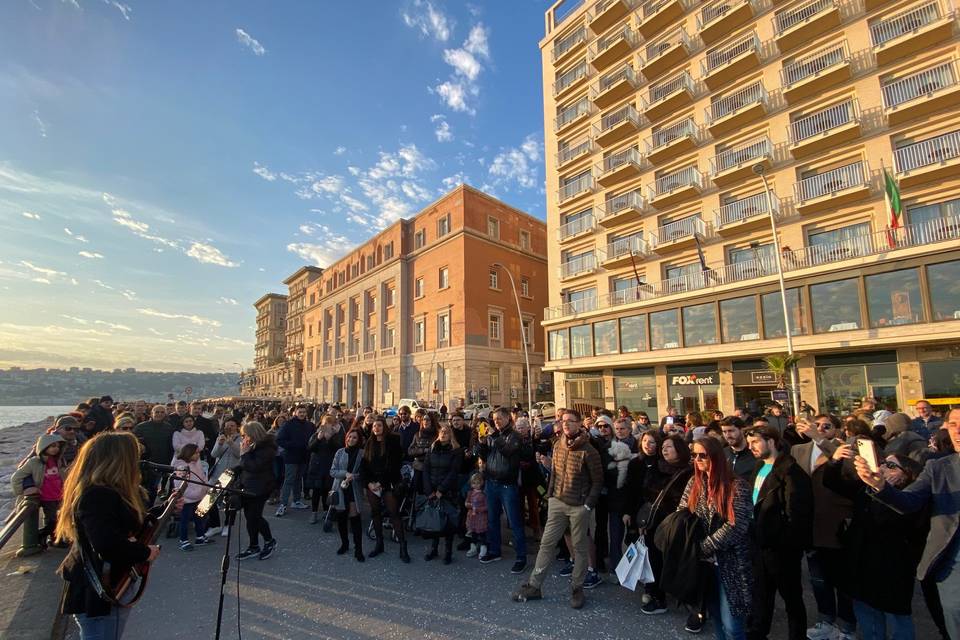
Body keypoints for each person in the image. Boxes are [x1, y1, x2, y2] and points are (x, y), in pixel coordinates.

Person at [855, 408, 960, 640]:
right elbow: (908, 501)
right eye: (953, 424)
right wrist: (881, 486)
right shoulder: (938, 468)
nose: (958, 430)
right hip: (952, 572)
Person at [55, 431, 160, 639]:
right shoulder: (98, 495)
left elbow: (119, 524)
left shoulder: (102, 491)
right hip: (102, 588)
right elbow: (108, 544)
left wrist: (162, 510)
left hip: (105, 585)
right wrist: (145, 552)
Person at [826, 445, 927, 640]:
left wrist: (884, 490)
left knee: (899, 622)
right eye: (883, 462)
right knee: (868, 621)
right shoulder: (865, 488)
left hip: (892, 571)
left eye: (891, 465)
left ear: (907, 475)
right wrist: (835, 459)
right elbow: (832, 482)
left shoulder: (912, 499)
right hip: (861, 567)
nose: (882, 467)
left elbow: (905, 523)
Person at [512, 408, 602, 609]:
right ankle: (535, 585)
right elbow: (554, 472)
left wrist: (588, 505)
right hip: (557, 502)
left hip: (579, 506)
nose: (566, 424)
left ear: (579, 424)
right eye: (563, 421)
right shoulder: (558, 445)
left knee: (579, 548)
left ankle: (577, 588)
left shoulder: (589, 450)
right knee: (546, 544)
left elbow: (597, 481)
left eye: (571, 421)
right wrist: (550, 495)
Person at [678, 437, 753, 640]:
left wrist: (705, 547)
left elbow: (736, 526)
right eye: (694, 455)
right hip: (703, 565)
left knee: (733, 626)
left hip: (730, 563)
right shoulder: (695, 482)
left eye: (703, 455)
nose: (698, 459)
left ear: (716, 456)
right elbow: (682, 513)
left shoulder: (737, 486)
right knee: (716, 619)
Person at [744, 426, 813, 640]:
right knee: (761, 595)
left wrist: (786, 542)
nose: (751, 447)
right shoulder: (758, 467)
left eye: (755, 442)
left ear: (771, 441)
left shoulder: (791, 471)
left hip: (781, 548)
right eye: (749, 443)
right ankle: (758, 632)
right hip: (758, 542)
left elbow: (799, 514)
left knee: (791, 597)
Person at [793, 415, 856, 640]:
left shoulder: (845, 448)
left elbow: (852, 470)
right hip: (810, 526)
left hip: (838, 525)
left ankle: (847, 626)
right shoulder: (799, 450)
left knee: (844, 581)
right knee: (819, 579)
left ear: (837, 430)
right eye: (817, 426)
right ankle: (826, 620)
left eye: (826, 426)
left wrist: (820, 439)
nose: (820, 429)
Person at [633, 434, 693, 618]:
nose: (665, 450)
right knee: (654, 559)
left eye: (669, 447)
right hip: (654, 522)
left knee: (674, 560)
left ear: (680, 450)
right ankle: (656, 594)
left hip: (676, 524)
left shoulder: (688, 472)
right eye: (664, 447)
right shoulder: (656, 467)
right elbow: (645, 494)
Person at [479, 407, 528, 573]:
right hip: (491, 482)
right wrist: (482, 443)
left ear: (508, 418)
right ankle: (494, 550)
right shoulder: (494, 436)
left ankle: (521, 556)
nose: (496, 422)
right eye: (494, 419)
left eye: (499, 418)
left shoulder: (515, 436)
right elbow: (485, 456)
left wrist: (493, 436)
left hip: (507, 484)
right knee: (492, 519)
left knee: (514, 521)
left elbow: (508, 451)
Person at [361, 416, 410, 563]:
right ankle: (379, 544)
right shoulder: (369, 442)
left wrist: (381, 483)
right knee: (375, 513)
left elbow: (394, 465)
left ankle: (403, 546)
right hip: (373, 483)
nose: (376, 428)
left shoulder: (393, 441)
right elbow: (365, 465)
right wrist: (368, 483)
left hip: (388, 482)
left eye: (379, 426)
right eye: (374, 426)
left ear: (384, 427)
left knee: (394, 513)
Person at [11, 432, 67, 556]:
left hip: (58, 494)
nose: (55, 449)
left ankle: (52, 538)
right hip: (46, 496)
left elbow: (62, 476)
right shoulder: (34, 462)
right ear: (43, 447)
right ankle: (43, 536)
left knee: (57, 518)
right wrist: (24, 491)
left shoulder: (58, 460)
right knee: (52, 520)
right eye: (52, 446)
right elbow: (16, 477)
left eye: (57, 446)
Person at [236, 421, 278, 561]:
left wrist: (244, 455)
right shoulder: (253, 446)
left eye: (245, 435)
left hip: (260, 487)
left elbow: (254, 466)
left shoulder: (267, 448)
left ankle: (269, 541)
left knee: (255, 516)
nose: (244, 438)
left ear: (253, 434)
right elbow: (246, 466)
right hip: (249, 485)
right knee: (249, 517)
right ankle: (253, 545)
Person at [422, 423, 463, 564]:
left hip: (447, 490)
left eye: (446, 432)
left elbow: (453, 472)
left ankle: (448, 552)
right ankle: (433, 549)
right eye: (441, 432)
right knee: (435, 520)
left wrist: (441, 490)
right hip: (432, 489)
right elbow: (426, 470)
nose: (443, 434)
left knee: (448, 522)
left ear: (450, 435)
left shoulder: (456, 451)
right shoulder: (432, 448)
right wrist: (429, 491)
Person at [330, 429, 365, 562]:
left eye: (354, 438)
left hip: (354, 490)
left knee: (355, 519)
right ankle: (344, 544)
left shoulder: (362, 454)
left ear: (359, 440)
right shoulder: (340, 452)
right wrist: (345, 473)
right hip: (340, 488)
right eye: (349, 437)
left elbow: (364, 473)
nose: (351, 439)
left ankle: (359, 549)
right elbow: (332, 471)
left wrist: (354, 476)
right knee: (341, 519)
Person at [133, 404, 177, 507]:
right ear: (152, 413)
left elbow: (171, 446)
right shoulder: (141, 427)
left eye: (162, 412)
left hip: (161, 463)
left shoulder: (168, 428)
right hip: (144, 464)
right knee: (141, 488)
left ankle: (149, 509)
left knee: (152, 488)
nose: (159, 414)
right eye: (157, 412)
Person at [274, 406, 314, 516]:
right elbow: (279, 440)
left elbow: (314, 439)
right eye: (300, 412)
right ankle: (283, 504)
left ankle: (296, 501)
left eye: (304, 412)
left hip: (304, 457)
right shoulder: (288, 424)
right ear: (295, 413)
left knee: (298, 479)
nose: (302, 414)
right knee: (289, 480)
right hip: (291, 457)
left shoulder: (310, 425)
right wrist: (293, 446)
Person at [172, 443, 211, 551]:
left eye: (199, 452)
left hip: (199, 496)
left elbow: (202, 476)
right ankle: (183, 540)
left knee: (199, 517)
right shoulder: (181, 466)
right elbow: (179, 484)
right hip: (187, 499)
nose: (198, 455)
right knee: (184, 520)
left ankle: (200, 537)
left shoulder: (196, 462)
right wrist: (196, 493)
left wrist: (205, 488)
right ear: (189, 453)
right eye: (196, 453)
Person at [208, 417, 243, 536]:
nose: (229, 428)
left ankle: (228, 525)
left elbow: (239, 455)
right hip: (218, 472)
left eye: (232, 426)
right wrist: (219, 443)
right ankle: (214, 525)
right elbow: (213, 454)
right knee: (209, 501)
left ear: (237, 427)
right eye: (227, 426)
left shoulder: (241, 439)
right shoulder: (220, 437)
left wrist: (231, 443)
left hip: (231, 474)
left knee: (230, 501)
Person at [305, 415, 341, 524]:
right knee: (316, 490)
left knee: (326, 490)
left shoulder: (335, 436)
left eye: (330, 424)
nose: (327, 426)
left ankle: (326, 511)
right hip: (317, 466)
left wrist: (330, 438)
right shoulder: (316, 435)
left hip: (329, 466)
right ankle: (314, 512)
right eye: (325, 423)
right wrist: (319, 439)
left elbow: (339, 449)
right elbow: (310, 448)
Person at [464, 472, 488, 558]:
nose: (476, 485)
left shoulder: (483, 494)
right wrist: (468, 505)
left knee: (482, 534)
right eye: (474, 483)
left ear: (481, 483)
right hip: (472, 516)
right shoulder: (470, 493)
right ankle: (473, 547)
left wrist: (478, 509)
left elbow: (487, 506)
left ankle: (483, 548)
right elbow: (466, 502)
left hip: (481, 517)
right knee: (473, 532)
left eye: (478, 483)